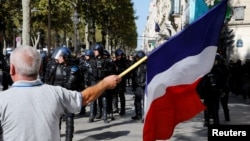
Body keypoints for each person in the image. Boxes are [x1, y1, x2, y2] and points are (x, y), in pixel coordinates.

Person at [0, 45, 120, 141]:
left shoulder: (2, 100)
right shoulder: (56, 93)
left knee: (69, 121)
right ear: (40, 68)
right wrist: (104, 83)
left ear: (12, 69)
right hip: (64, 95)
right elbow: (85, 97)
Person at [44, 46, 83, 141]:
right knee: (56, 120)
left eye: (60, 56)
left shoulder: (74, 69)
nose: (58, 58)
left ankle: (68, 139)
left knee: (69, 119)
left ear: (65, 57)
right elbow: (48, 81)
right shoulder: (55, 67)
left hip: (68, 96)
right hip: (57, 97)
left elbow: (76, 83)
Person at [131, 50, 146, 121]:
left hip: (143, 86)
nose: (136, 59)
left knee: (144, 102)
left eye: (137, 57)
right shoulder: (135, 65)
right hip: (137, 86)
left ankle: (145, 116)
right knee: (137, 101)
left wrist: (144, 83)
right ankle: (138, 115)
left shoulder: (146, 66)